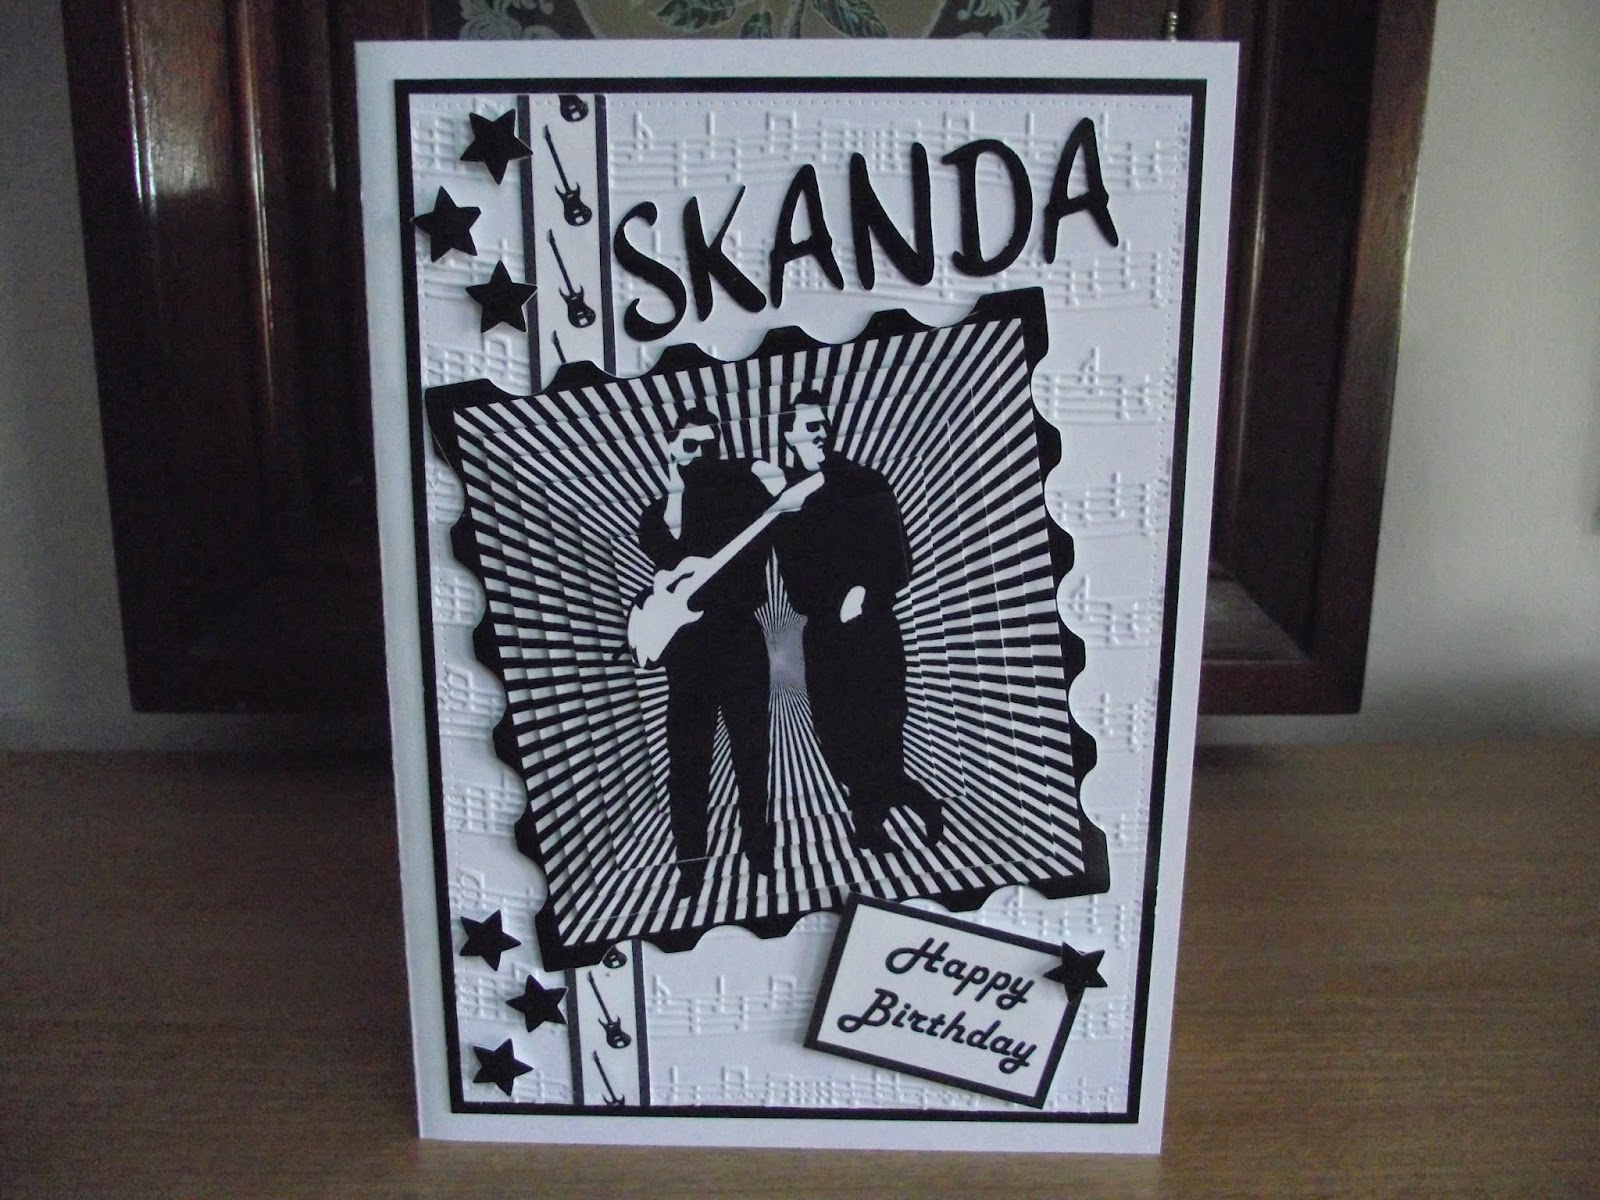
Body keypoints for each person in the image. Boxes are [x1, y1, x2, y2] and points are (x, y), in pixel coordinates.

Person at [771, 392, 944, 856]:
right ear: (788, 433)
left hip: (873, 628)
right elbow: (794, 574)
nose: (820, 433)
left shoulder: (866, 482)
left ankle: (884, 814)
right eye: (809, 426)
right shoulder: (786, 500)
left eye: (823, 424)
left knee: (882, 723)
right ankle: (895, 808)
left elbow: (899, 558)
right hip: (824, 634)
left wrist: (864, 590)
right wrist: (830, 602)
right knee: (837, 732)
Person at [637, 408, 783, 900]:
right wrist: (677, 490)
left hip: (739, 639)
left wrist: (740, 467)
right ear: (670, 446)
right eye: (689, 445)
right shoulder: (656, 514)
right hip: (687, 654)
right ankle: (691, 867)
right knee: (687, 760)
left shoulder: (740, 499)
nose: (700, 455)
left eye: (709, 446)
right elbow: (666, 557)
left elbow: (775, 495)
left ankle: (759, 852)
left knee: (752, 751)